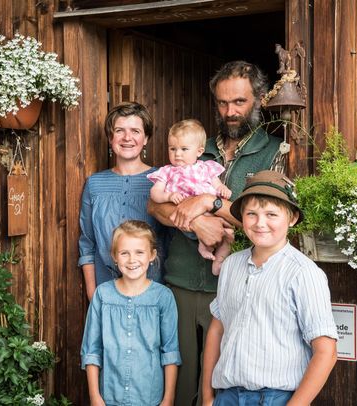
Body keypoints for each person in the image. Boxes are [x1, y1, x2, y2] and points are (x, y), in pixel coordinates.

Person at [148, 61, 285, 405]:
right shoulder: (194, 147)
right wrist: (194, 219)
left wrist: (209, 202)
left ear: (258, 100)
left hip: (234, 289)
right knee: (177, 382)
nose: (230, 111)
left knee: (222, 383)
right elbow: (155, 207)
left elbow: (265, 222)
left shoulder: (274, 152)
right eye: (223, 103)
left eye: (239, 102)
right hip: (179, 280)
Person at [201, 170, 338, 406]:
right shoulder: (232, 264)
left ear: (292, 218)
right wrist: (207, 397)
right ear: (242, 217)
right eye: (251, 214)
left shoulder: (303, 273)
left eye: (271, 214)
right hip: (227, 396)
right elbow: (216, 330)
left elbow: (326, 351)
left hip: (275, 398)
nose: (260, 223)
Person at [81, 220, 181, 406]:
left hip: (150, 398)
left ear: (152, 255)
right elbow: (92, 351)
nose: (132, 260)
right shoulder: (102, 295)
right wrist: (95, 398)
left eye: (139, 252)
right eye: (124, 253)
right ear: (114, 256)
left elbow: (170, 352)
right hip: (110, 397)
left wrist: (168, 399)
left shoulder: (163, 297)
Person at [79, 102, 166, 301]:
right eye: (119, 130)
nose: (127, 138)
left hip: (152, 291)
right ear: (110, 138)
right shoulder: (94, 184)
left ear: (146, 138)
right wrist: (93, 294)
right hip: (106, 291)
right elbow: (87, 242)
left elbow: (169, 240)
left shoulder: (161, 182)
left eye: (135, 131)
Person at [147, 119, 233, 275]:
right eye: (172, 149)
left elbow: (216, 184)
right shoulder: (167, 172)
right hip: (187, 215)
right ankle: (204, 247)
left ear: (199, 151)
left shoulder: (205, 167)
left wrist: (223, 189)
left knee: (229, 233)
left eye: (184, 149)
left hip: (212, 211)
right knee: (201, 229)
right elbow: (155, 194)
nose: (177, 154)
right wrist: (169, 196)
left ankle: (219, 260)